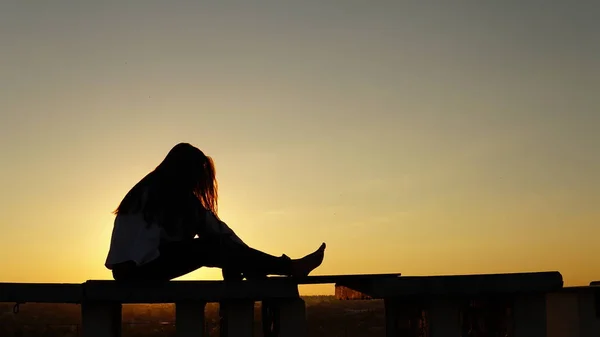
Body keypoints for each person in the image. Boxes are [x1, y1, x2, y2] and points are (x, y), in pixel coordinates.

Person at [104, 142, 326, 282]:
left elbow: (217, 231)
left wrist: (240, 258)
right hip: (134, 272)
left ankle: (284, 267)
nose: (197, 182)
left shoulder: (174, 196)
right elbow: (144, 253)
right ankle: (289, 267)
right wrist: (238, 259)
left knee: (216, 245)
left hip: (142, 268)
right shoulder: (152, 194)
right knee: (211, 248)